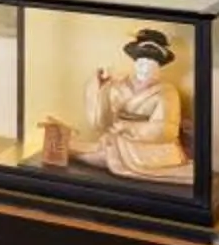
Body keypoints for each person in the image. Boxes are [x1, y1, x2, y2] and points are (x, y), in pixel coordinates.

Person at [75, 27, 194, 182]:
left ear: (159, 68)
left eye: (151, 65)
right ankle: (65, 148)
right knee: (98, 150)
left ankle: (68, 150)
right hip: (117, 138)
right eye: (141, 63)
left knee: (104, 155)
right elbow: (100, 122)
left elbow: (165, 129)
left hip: (152, 147)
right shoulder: (118, 85)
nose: (144, 69)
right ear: (135, 64)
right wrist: (101, 87)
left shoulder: (167, 92)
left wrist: (126, 127)